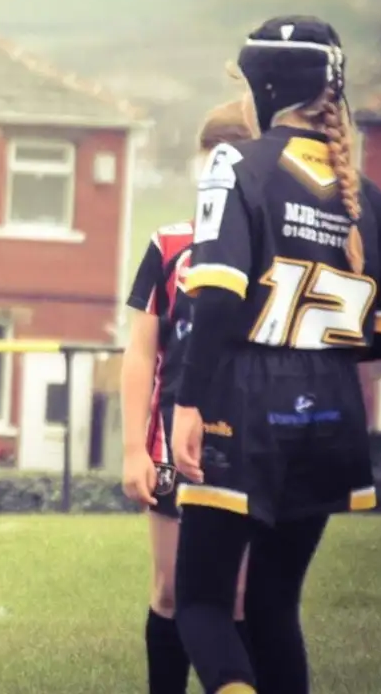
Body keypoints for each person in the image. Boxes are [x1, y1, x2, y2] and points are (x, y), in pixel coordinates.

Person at [170, 16, 381, 694]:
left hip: (243, 401)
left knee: (202, 602)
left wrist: (188, 402)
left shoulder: (235, 165)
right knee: (277, 607)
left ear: (265, 85)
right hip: (332, 410)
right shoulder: (376, 202)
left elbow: (215, 298)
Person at [121, 99, 257, 694]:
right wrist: (134, 450)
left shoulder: (267, 246)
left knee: (238, 599)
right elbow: (139, 353)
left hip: (249, 444)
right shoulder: (168, 245)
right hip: (172, 446)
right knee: (171, 590)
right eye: (212, 157)